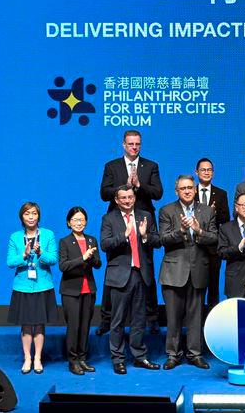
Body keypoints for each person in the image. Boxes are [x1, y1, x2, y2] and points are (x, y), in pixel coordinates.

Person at [98, 130, 163, 335]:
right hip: (118, 222)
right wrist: (123, 187)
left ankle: (152, 317)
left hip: (143, 220)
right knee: (116, 269)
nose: (134, 147)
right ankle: (107, 318)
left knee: (146, 269)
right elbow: (104, 193)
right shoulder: (112, 166)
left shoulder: (151, 166)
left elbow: (158, 193)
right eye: (131, 144)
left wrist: (139, 185)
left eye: (137, 144)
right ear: (123, 145)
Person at [158, 176, 218, 370]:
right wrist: (182, 230)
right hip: (174, 271)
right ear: (176, 191)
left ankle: (195, 354)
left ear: (195, 189)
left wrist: (199, 231)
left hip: (199, 270)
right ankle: (173, 355)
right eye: (182, 188)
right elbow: (163, 239)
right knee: (173, 317)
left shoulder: (207, 211)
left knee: (196, 317)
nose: (186, 191)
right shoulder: (167, 210)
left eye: (190, 188)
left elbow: (215, 238)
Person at [100, 185, 160, 374]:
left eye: (130, 197)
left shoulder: (146, 216)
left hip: (141, 274)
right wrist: (123, 236)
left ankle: (139, 356)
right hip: (120, 276)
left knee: (139, 319)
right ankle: (118, 358)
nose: (127, 200)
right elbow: (104, 244)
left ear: (135, 198)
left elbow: (157, 241)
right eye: (123, 198)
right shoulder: (109, 218)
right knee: (117, 321)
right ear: (116, 201)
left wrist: (144, 236)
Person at [6, 202, 58, 375]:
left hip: (42, 285)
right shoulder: (15, 237)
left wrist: (41, 253)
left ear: (38, 216)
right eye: (27, 214)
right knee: (26, 324)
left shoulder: (48, 234)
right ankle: (27, 358)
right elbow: (10, 262)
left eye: (34, 213)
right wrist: (24, 255)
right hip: (23, 287)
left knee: (40, 323)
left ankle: (38, 358)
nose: (30, 217)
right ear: (22, 217)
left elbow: (54, 259)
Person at [58, 207, 101, 375]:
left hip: (88, 289)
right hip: (71, 290)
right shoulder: (65, 242)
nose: (79, 223)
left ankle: (83, 358)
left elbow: (98, 264)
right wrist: (82, 258)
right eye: (75, 220)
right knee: (74, 326)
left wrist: (92, 258)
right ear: (69, 222)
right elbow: (63, 266)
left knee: (85, 326)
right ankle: (73, 360)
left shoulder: (91, 240)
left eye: (82, 220)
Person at [195, 157, 230, 315]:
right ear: (197, 172)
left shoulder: (221, 194)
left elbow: (226, 219)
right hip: (194, 246)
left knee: (213, 286)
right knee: (196, 287)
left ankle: (213, 322)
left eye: (209, 170)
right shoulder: (190, 191)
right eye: (203, 170)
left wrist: (212, 214)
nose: (206, 172)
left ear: (213, 173)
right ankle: (197, 321)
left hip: (213, 248)